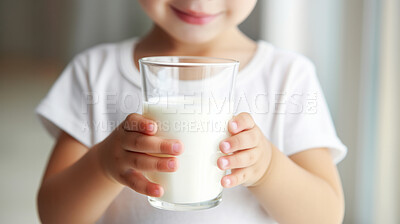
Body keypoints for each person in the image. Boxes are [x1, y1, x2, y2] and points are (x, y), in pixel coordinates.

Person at [36, 0, 347, 223]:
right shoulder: (95, 73)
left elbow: (325, 215)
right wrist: (104, 165)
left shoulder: (288, 77)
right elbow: (54, 214)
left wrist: (267, 168)